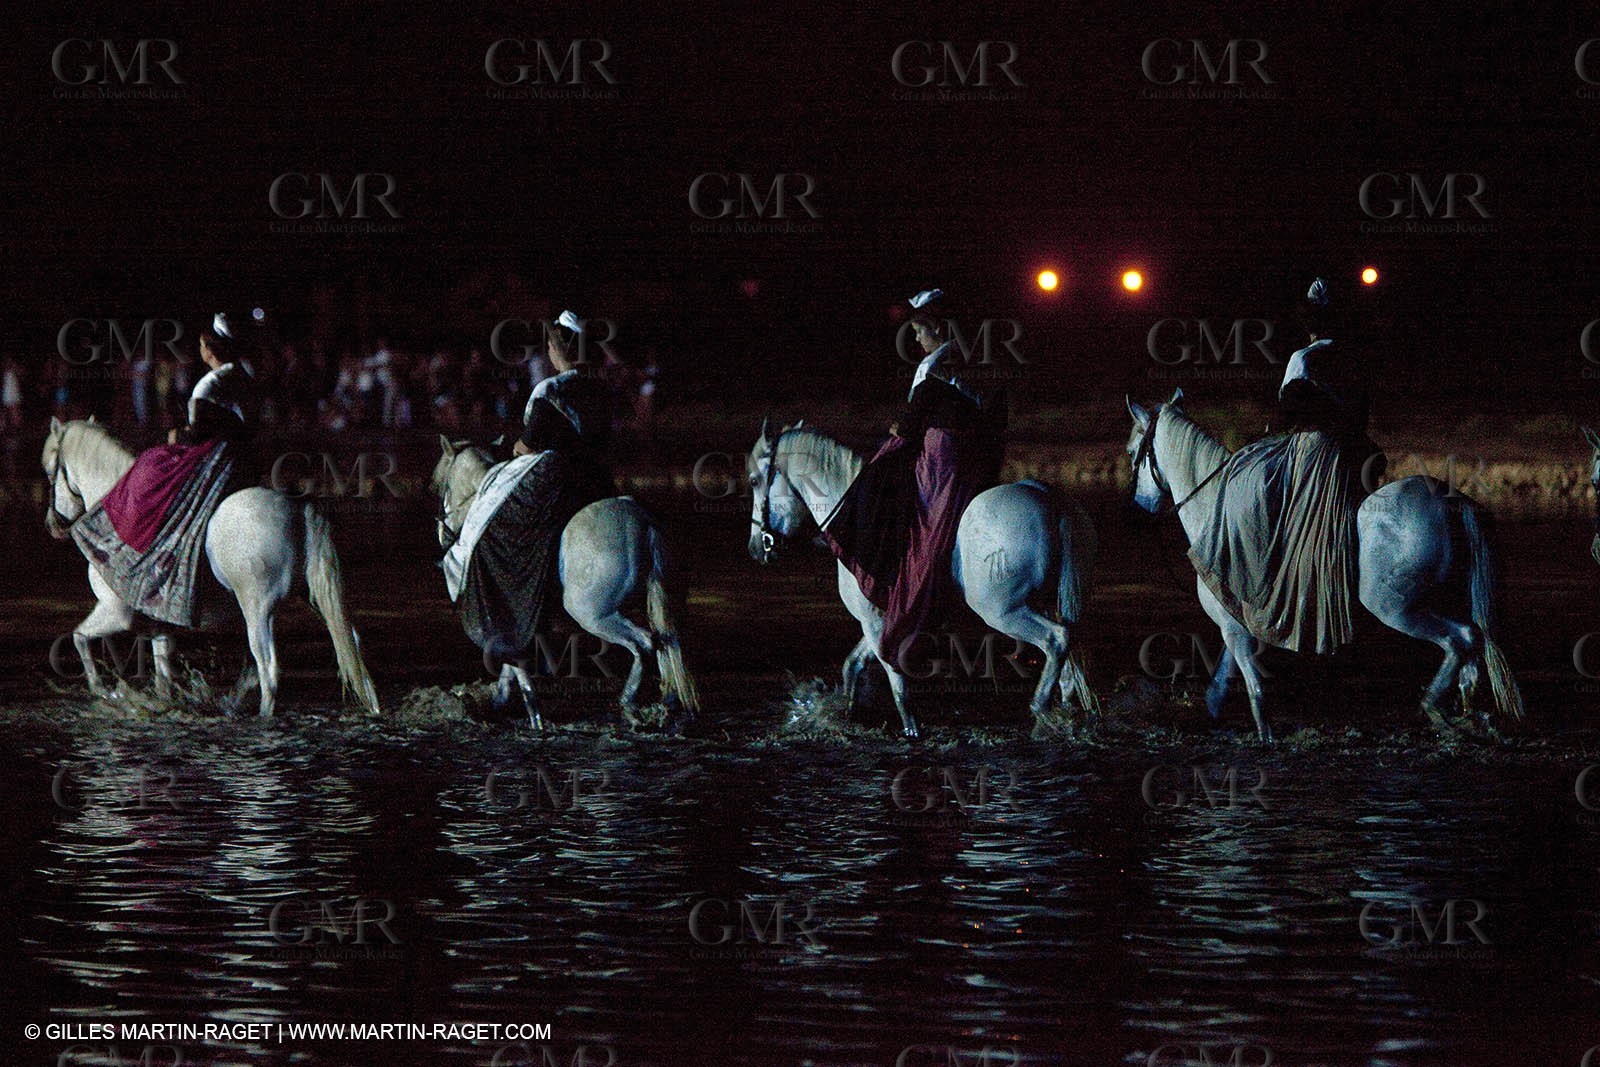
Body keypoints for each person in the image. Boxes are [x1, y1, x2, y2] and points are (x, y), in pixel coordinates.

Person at [1188, 277, 1379, 655]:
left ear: (1309, 324)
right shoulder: (1354, 358)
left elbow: (1290, 408)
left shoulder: (1302, 359)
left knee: (1247, 471)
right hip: (1358, 448)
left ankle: (1272, 582)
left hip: (1317, 447)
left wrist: (1271, 429)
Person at [820, 288, 1006, 666]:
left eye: (920, 333)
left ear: (934, 329)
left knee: (880, 483)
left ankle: (897, 577)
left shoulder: (933, 365)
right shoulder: (969, 359)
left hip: (943, 456)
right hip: (977, 455)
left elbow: (913, 420)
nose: (917, 341)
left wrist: (898, 432)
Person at [70, 312, 259, 627]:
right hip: (243, 456)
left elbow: (199, 431)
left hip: (215, 458)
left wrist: (177, 435)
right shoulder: (243, 375)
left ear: (210, 351)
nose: (200, 351)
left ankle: (149, 560)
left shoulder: (210, 383)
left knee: (150, 464)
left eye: (202, 346)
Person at [446, 310, 617, 660]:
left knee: (496, 532)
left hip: (554, 479)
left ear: (560, 352)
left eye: (552, 348)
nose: (549, 354)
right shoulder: (600, 388)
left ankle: (518, 623)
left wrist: (516, 448)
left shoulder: (549, 388)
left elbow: (529, 443)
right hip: (596, 479)